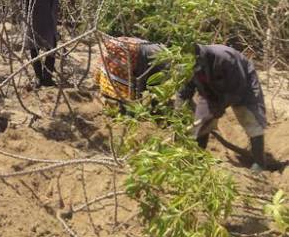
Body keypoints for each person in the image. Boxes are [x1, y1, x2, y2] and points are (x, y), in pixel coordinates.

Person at [177, 44, 267, 172]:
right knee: (201, 123)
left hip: (242, 83)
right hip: (209, 90)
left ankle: (259, 163)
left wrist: (221, 106)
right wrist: (178, 117)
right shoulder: (186, 66)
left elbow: (238, 87)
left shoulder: (225, 58)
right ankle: (197, 158)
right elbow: (182, 94)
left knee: (249, 118)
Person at [17, 0, 76, 88]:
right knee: (34, 46)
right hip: (34, 16)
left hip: (50, 15)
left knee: (52, 46)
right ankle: (38, 77)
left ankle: (47, 77)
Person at [95, 36, 166, 101]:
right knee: (122, 96)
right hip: (127, 51)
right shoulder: (165, 62)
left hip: (119, 45)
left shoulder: (160, 51)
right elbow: (144, 79)